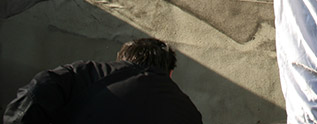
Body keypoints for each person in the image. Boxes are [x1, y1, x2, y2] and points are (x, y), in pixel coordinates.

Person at [3, 38, 202, 124]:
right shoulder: (189, 112)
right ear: (170, 73)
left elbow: (35, 91)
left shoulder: (89, 73)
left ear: (121, 59)